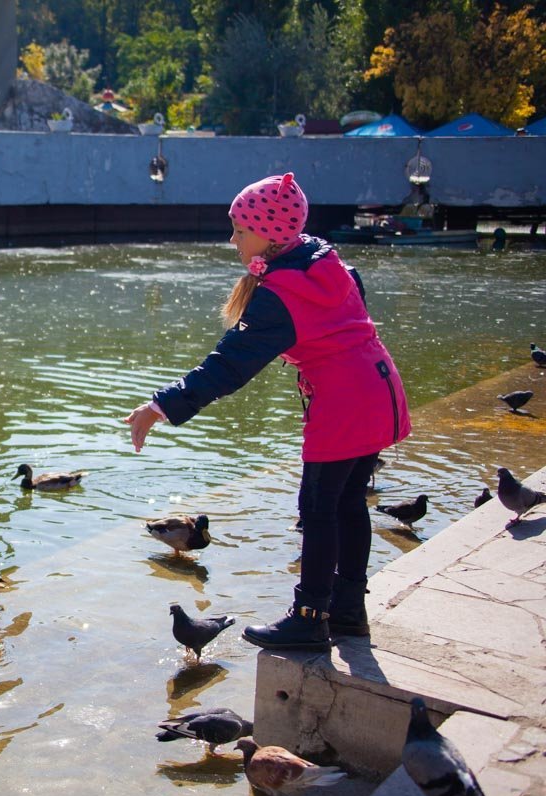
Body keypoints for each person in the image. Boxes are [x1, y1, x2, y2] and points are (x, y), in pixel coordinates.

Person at [123, 172, 411, 652]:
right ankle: (347, 611)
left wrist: (160, 406)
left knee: (318, 511)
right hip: (379, 389)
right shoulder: (322, 260)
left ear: (270, 235)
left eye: (240, 230)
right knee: (347, 504)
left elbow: (229, 365)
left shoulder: (283, 294)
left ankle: (309, 618)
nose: (232, 239)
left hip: (343, 404)